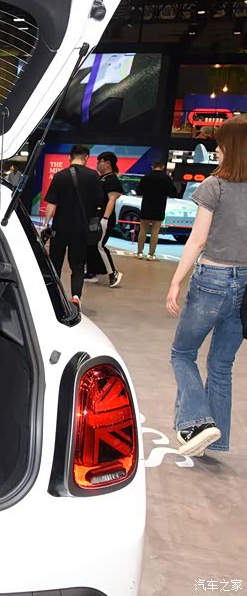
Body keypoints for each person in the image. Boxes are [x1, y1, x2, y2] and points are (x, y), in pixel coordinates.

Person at [166, 115, 247, 458]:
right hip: (245, 285)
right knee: (221, 365)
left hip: (212, 280)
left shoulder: (215, 185)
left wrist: (176, 280)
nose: (215, 149)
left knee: (182, 353)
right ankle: (215, 437)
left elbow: (197, 240)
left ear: (231, 146)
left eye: (219, 143)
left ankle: (197, 422)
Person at [42, 145, 105, 309]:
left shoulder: (60, 176)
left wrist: (46, 224)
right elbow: (100, 201)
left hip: (60, 228)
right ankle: (76, 297)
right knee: (77, 266)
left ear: (69, 157)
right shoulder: (93, 176)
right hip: (82, 229)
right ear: (87, 158)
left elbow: (51, 204)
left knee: (55, 263)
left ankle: (54, 296)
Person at [86, 151, 124, 288]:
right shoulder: (102, 178)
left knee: (99, 245)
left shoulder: (112, 180)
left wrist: (105, 219)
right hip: (95, 217)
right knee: (90, 245)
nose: (97, 164)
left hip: (104, 218)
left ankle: (113, 273)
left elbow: (111, 200)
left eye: (99, 162)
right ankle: (92, 272)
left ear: (107, 163)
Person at [135, 159, 177, 260]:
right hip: (159, 208)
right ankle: (151, 254)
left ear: (152, 167)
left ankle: (139, 253)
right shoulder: (166, 178)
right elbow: (172, 193)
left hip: (146, 207)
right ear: (163, 167)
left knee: (143, 230)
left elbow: (139, 191)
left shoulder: (146, 177)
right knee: (155, 232)